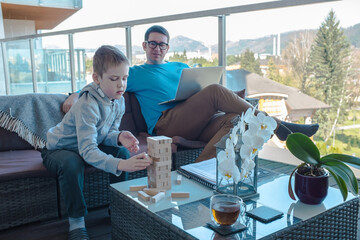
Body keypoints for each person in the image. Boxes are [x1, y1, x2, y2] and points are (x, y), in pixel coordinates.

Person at [63, 25, 319, 163]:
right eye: (152, 43)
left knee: (236, 120)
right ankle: (279, 126)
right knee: (216, 91)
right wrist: (74, 98)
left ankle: (197, 173)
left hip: (195, 120)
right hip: (165, 123)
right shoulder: (136, 72)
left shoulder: (181, 67)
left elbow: (200, 90)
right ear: (144, 45)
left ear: (167, 47)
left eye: (161, 44)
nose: (157, 48)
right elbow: (99, 86)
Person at [42, 45, 152, 240]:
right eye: (114, 79)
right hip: (60, 149)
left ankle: (117, 207)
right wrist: (120, 165)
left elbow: (106, 133)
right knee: (71, 163)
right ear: (97, 78)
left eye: (124, 78)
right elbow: (88, 150)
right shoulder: (87, 104)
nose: (121, 85)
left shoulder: (119, 100)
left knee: (122, 152)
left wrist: (118, 136)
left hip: (85, 146)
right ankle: (76, 222)